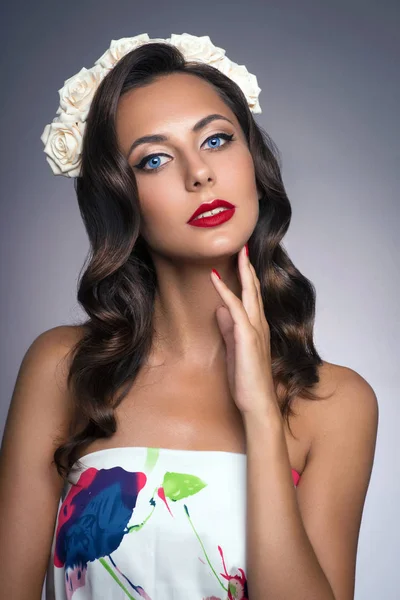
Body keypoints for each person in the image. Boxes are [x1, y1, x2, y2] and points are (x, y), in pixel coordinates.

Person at [0, 33, 379, 600]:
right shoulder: (63, 367)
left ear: (253, 160)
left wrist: (260, 417)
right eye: (155, 159)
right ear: (118, 195)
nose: (198, 174)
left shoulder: (338, 404)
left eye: (218, 140)